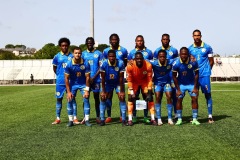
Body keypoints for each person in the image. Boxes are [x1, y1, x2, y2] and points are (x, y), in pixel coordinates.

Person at [188, 29, 214, 123]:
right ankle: (195, 117)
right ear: (192, 36)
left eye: (198, 35)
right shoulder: (190, 48)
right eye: (195, 35)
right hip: (194, 76)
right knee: (194, 96)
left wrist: (207, 71)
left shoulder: (207, 47)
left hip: (204, 75)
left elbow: (211, 61)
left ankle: (210, 116)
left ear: (201, 36)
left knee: (208, 95)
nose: (197, 37)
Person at [103, 33, 128, 123]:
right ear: (110, 41)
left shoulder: (124, 50)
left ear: (118, 40)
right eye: (112, 40)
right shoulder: (106, 51)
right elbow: (104, 64)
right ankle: (109, 116)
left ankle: (122, 116)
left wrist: (118, 70)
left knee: (121, 96)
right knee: (108, 97)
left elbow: (125, 63)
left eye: (115, 39)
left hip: (119, 79)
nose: (114, 41)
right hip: (108, 79)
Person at [128, 35, 153, 123]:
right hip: (135, 79)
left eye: (141, 41)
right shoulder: (131, 52)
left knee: (146, 98)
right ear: (135, 42)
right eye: (138, 41)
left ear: (143, 41)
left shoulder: (149, 52)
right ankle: (134, 116)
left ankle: (146, 116)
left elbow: (151, 63)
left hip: (145, 78)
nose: (140, 42)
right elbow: (129, 63)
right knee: (133, 98)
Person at [126, 52, 156, 126]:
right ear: (134, 59)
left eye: (140, 58)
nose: (139, 60)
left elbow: (149, 79)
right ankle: (131, 118)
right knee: (130, 98)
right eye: (137, 58)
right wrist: (132, 93)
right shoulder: (130, 65)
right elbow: (129, 80)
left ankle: (151, 118)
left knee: (149, 98)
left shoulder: (148, 65)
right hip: (134, 82)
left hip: (144, 82)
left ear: (143, 59)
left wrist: (149, 92)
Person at [172, 47, 200, 125]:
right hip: (181, 84)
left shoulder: (193, 62)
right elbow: (174, 76)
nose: (183, 55)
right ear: (179, 54)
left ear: (188, 54)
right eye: (182, 54)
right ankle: (179, 119)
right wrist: (178, 89)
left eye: (185, 54)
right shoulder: (176, 63)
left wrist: (195, 87)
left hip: (191, 84)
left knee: (194, 98)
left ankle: (194, 119)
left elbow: (197, 74)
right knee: (179, 99)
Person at [64, 47, 92, 127]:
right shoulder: (69, 64)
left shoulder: (86, 63)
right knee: (69, 100)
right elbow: (66, 78)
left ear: (81, 54)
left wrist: (87, 90)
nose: (77, 54)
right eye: (76, 53)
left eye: (79, 53)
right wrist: (68, 92)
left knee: (86, 99)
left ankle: (87, 120)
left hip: (83, 84)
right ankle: (70, 120)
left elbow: (87, 77)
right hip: (73, 84)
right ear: (73, 54)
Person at [153, 34, 178, 119]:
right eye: (164, 39)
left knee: (173, 95)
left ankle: (175, 113)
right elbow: (154, 64)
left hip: (171, 78)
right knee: (158, 96)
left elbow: (177, 61)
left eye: (167, 39)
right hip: (159, 79)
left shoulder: (174, 50)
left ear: (169, 40)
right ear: (161, 40)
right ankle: (157, 115)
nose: (165, 41)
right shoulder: (157, 51)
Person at [99, 49, 127, 126]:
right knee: (103, 98)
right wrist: (103, 91)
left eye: (113, 56)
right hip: (107, 83)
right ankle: (102, 119)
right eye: (110, 56)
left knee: (122, 97)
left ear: (115, 57)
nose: (112, 58)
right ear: (108, 57)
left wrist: (121, 91)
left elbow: (121, 78)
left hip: (117, 82)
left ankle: (124, 119)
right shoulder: (104, 63)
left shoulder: (120, 63)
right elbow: (103, 78)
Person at [52, 37, 74, 124]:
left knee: (72, 99)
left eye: (66, 45)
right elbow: (54, 68)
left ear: (68, 46)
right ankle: (58, 118)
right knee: (59, 99)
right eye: (62, 46)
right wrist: (60, 75)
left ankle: (73, 118)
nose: (64, 47)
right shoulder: (57, 56)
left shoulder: (72, 56)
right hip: (60, 82)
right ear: (60, 46)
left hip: (70, 81)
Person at [149, 50, 174, 125]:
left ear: (166, 57)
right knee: (157, 97)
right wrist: (132, 60)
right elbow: (144, 59)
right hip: (158, 83)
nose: (162, 58)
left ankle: (169, 118)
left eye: (164, 56)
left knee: (169, 96)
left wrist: (191, 57)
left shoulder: (170, 62)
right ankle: (159, 118)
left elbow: (179, 58)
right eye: (160, 57)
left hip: (167, 83)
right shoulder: (154, 62)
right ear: (158, 57)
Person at [82, 37, 103, 124]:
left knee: (96, 98)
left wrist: (93, 77)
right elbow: (81, 67)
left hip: (96, 79)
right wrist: (86, 77)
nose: (89, 44)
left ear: (94, 43)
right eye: (88, 43)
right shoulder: (83, 54)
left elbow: (101, 66)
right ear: (86, 43)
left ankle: (98, 116)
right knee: (86, 98)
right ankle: (85, 117)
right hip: (85, 80)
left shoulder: (98, 53)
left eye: (91, 43)